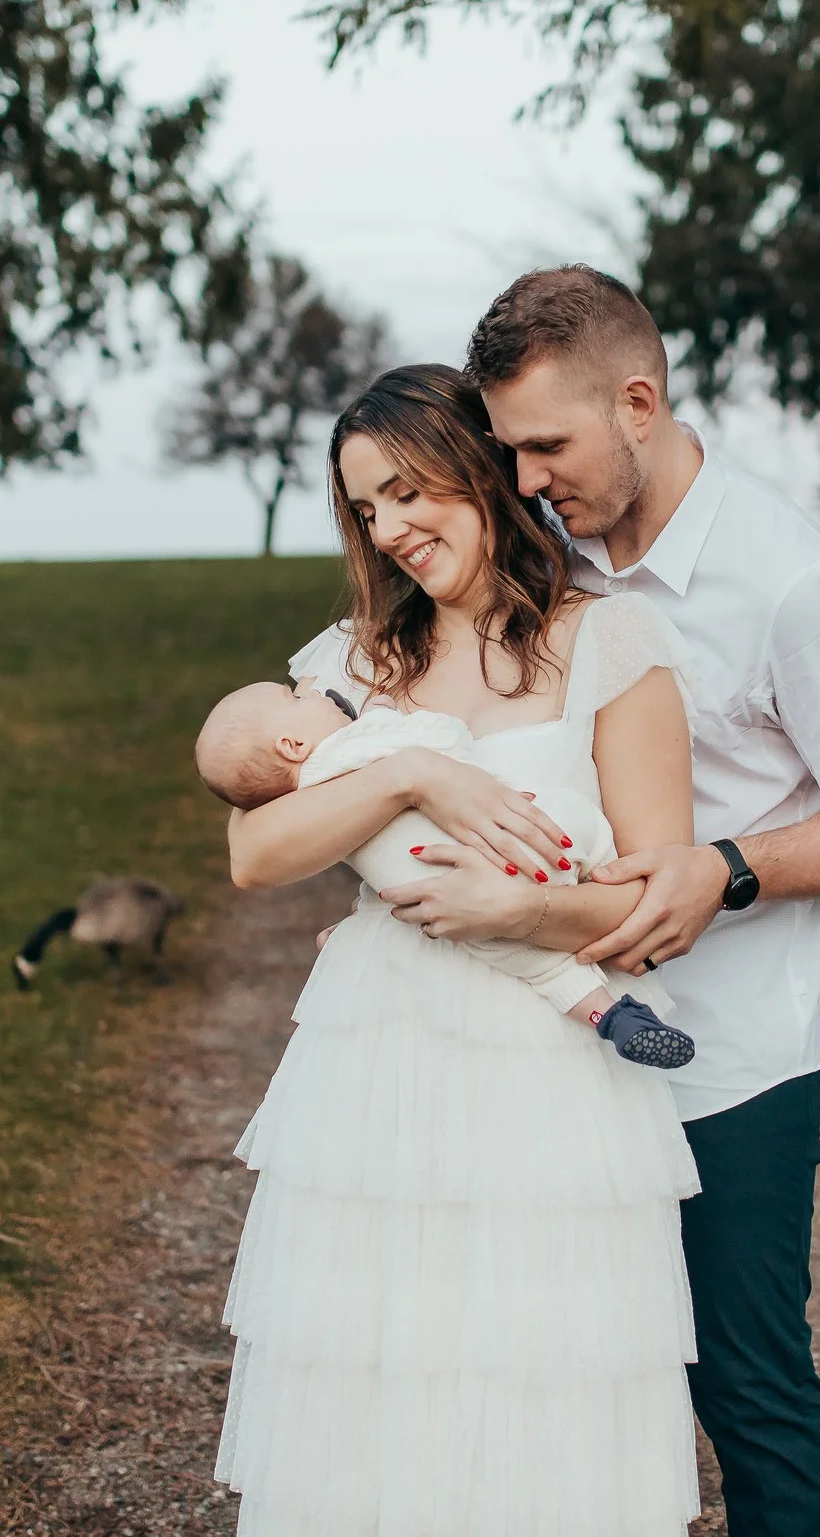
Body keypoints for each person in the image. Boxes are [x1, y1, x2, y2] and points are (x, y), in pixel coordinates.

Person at [383, 266, 820, 1537]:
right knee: (551, 1371)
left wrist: (727, 867)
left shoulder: (798, 586)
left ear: (639, 401)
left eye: (543, 445)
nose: (520, 479)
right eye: (505, 448)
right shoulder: (540, 546)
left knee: (741, 1384)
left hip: (730, 1060)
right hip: (548, 1041)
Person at [210, 363, 705, 1536]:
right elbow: (254, 853)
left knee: (537, 1376)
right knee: (381, 1377)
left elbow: (657, 902)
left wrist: (526, 916)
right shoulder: (349, 661)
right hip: (379, 1059)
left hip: (546, 1072)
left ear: (477, 468)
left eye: (405, 491)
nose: (389, 529)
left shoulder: (611, 643)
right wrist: (410, 768)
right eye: (365, 509)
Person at [191, 676, 697, 1065]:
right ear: (292, 745)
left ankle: (607, 1014)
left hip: (443, 916)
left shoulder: (310, 792)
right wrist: (412, 758)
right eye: (294, 697)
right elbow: (446, 738)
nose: (311, 689)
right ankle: (598, 877)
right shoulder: (354, 743)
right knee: (574, 823)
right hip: (529, 854)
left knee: (542, 969)